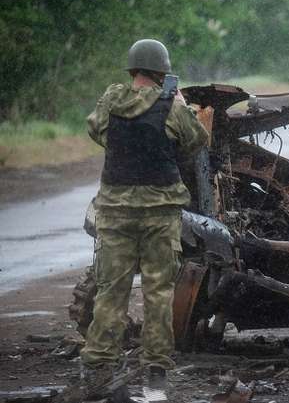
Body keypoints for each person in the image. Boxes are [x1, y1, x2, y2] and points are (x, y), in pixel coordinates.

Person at [79, 39, 209, 398]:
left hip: (116, 212)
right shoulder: (172, 105)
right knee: (158, 294)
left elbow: (96, 130)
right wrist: (181, 106)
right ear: (162, 72)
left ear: (133, 69)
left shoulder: (111, 100)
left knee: (110, 292)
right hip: (160, 214)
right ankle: (155, 380)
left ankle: (98, 372)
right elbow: (197, 141)